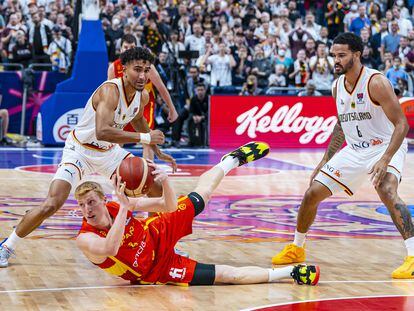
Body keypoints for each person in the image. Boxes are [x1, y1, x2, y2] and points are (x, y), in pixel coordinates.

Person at [0, 47, 176, 268]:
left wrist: (156, 149)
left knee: (153, 185)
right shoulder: (110, 91)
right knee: (52, 203)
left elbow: (138, 117)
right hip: (80, 151)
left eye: (146, 70)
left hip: (109, 152)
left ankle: (160, 243)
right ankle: (7, 246)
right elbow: (102, 130)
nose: (142, 76)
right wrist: (145, 136)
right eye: (137, 69)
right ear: (124, 70)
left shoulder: (142, 96)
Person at [75, 142, 320, 286]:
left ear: (103, 200)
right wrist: (127, 206)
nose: (88, 210)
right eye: (83, 205)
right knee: (227, 275)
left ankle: (231, 161)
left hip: (156, 232)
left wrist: (166, 181)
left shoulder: (118, 205)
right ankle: (292, 273)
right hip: (157, 269)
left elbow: (168, 206)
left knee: (201, 197)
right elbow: (110, 247)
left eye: (91, 202)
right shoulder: (85, 238)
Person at [272, 32, 414, 279]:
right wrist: (325, 161)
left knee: (387, 190)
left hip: (384, 146)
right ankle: (297, 247)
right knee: (312, 193)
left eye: (341, 55)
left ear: (357, 55)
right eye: (333, 55)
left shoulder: (376, 82)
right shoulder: (337, 85)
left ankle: (413, 255)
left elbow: (402, 124)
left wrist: (385, 159)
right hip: (356, 149)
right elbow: (341, 124)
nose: (335, 60)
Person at [107, 34, 178, 160]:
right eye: (126, 47)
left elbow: (161, 87)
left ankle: (148, 172)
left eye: (132, 47)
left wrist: (172, 109)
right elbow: (110, 93)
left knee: (147, 139)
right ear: (121, 49)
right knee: (118, 139)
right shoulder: (113, 67)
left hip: (144, 104)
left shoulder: (147, 66)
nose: (129, 50)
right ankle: (115, 171)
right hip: (124, 106)